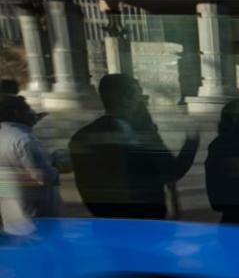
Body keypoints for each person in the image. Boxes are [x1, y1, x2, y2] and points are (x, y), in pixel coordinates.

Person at [69, 74, 199, 220]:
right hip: (146, 221)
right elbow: (173, 171)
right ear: (126, 99)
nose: (143, 100)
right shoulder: (142, 136)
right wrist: (192, 141)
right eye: (139, 95)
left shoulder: (82, 136)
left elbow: (86, 188)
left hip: (107, 222)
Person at [0, 94, 64, 233]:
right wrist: (56, 163)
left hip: (12, 214)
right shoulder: (24, 140)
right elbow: (41, 177)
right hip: (38, 215)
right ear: (17, 113)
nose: (33, 113)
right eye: (28, 109)